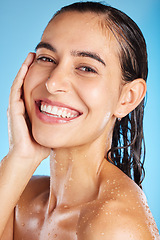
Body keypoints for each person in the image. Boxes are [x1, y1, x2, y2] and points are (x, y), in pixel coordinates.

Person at [0, 1, 159, 239]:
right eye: (47, 58)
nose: (53, 83)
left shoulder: (116, 226)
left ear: (127, 98)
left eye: (86, 68)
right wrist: (20, 157)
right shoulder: (19, 195)